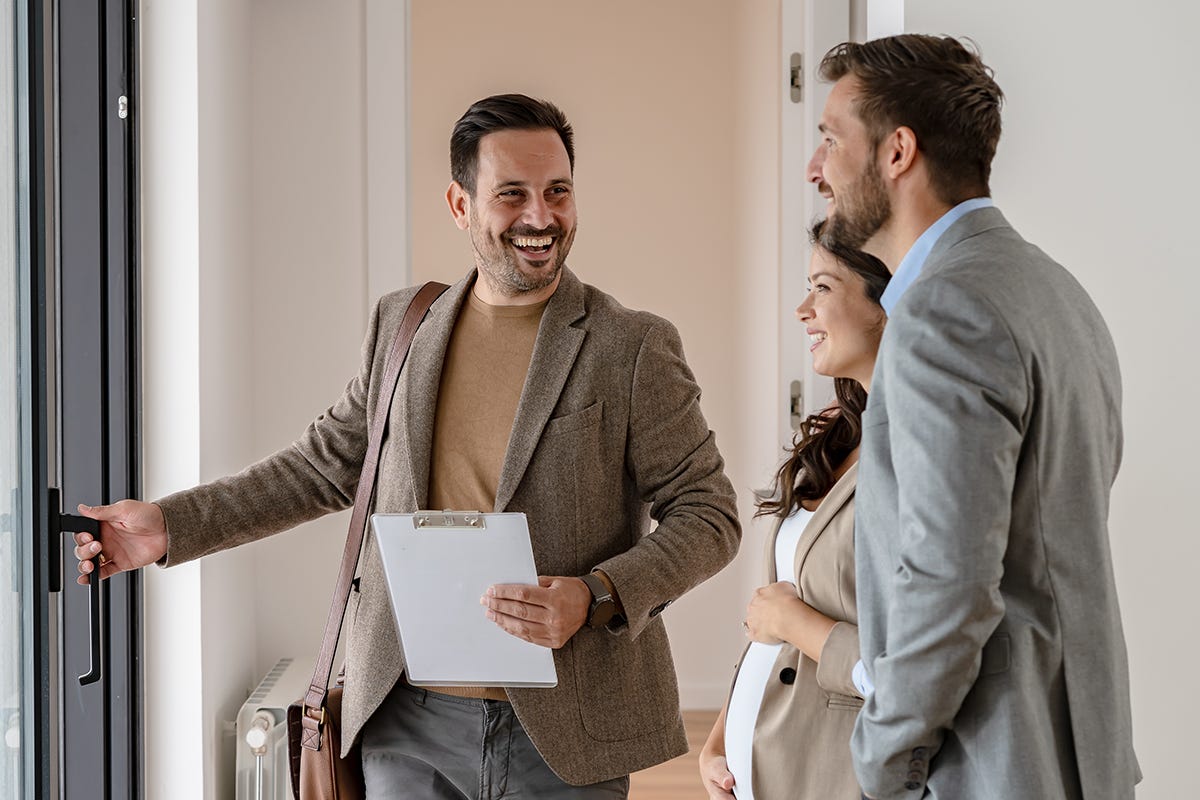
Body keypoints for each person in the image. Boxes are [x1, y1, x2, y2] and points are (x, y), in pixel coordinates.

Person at [71, 94, 741, 798]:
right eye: (512, 194)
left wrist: (595, 594)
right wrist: (170, 525)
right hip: (405, 716)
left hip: (567, 727)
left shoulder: (630, 346)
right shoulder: (404, 326)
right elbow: (321, 467)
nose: (541, 217)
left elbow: (709, 513)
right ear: (460, 204)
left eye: (558, 192)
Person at [806, 35, 1139, 799]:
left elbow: (947, 583)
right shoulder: (1056, 292)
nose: (815, 168)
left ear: (897, 152)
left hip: (988, 768)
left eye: (830, 140)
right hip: (1080, 759)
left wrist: (883, 757)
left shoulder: (943, 310)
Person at [698, 223, 890, 800]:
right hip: (757, 770)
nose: (803, 310)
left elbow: (913, 674)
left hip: (835, 774)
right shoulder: (839, 432)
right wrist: (720, 738)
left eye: (823, 288)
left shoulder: (920, 455)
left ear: (886, 303)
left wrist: (790, 623)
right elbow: (776, 605)